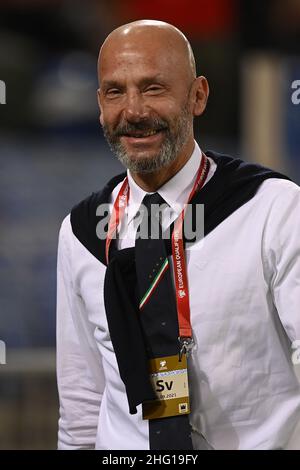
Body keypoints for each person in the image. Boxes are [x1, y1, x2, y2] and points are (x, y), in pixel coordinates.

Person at [56, 19, 300, 450]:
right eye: (116, 91)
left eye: (153, 88)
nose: (134, 111)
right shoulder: (82, 233)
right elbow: (81, 402)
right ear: (99, 105)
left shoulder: (273, 209)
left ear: (198, 95)